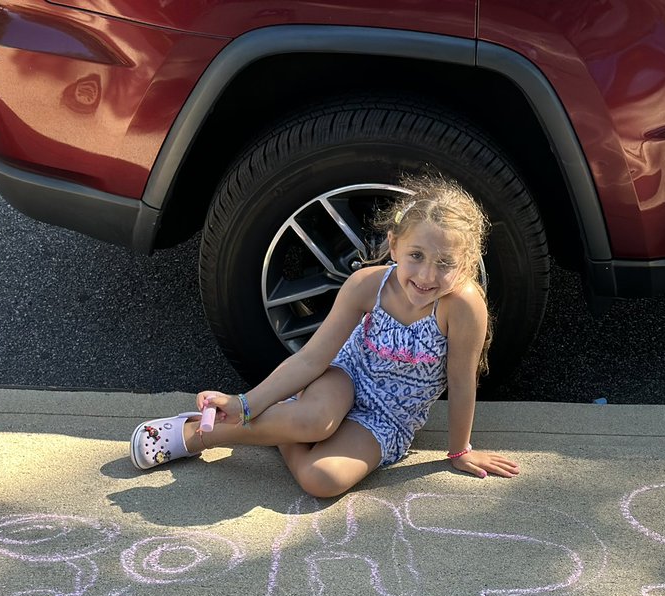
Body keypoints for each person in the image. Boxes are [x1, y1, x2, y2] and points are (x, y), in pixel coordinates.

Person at [128, 174, 521, 497]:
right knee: (317, 421)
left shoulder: (463, 306)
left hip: (389, 418)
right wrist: (245, 403)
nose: (427, 276)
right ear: (394, 245)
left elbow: (460, 380)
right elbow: (313, 358)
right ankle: (198, 434)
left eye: (445, 264)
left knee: (322, 480)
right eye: (416, 256)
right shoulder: (367, 285)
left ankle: (282, 421)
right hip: (344, 377)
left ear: (467, 264)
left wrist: (459, 450)